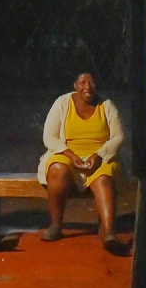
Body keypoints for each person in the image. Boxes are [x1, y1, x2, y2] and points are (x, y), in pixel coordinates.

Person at [37, 71, 129, 254]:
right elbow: (49, 137)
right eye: (82, 82)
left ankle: (109, 233)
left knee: (104, 177)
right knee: (57, 168)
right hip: (69, 154)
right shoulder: (62, 103)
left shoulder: (107, 105)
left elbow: (119, 137)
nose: (87, 87)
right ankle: (55, 225)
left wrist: (99, 155)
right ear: (75, 85)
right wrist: (70, 155)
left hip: (101, 156)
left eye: (91, 82)